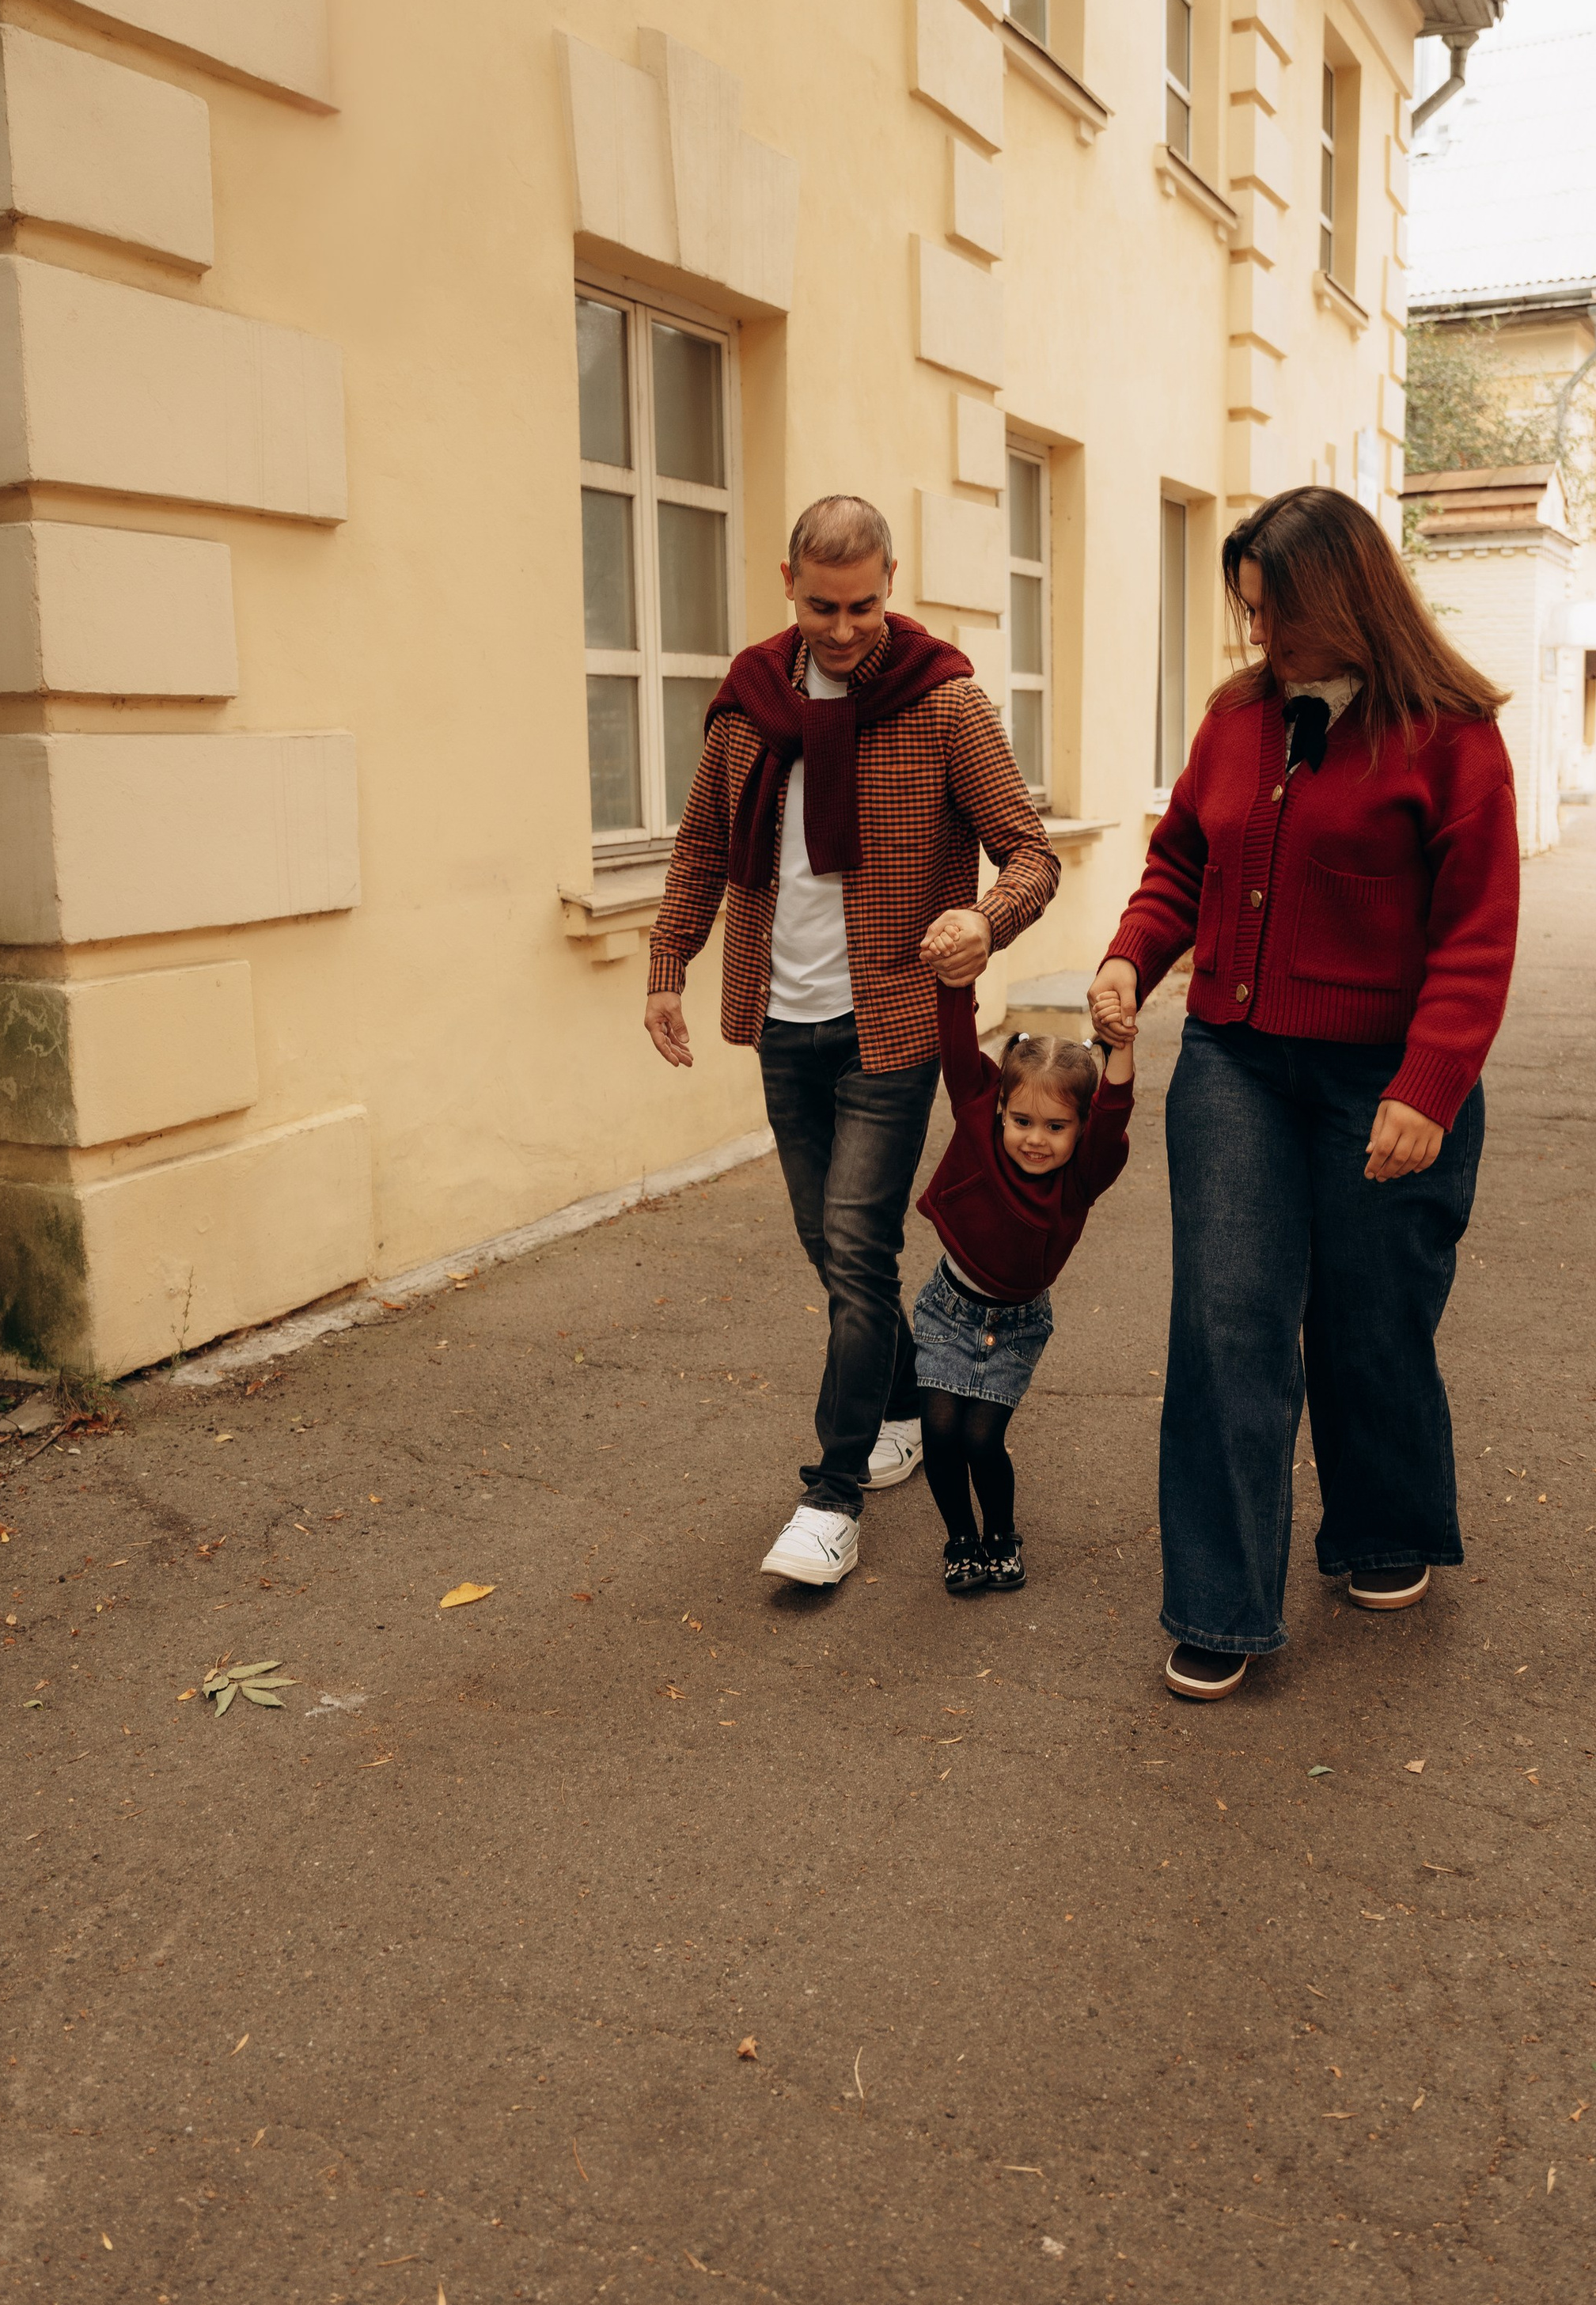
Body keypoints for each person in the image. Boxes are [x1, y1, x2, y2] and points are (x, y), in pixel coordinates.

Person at [1087, 483, 1519, 1703]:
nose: (1260, 639)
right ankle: (1221, 1600)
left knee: (1373, 1320)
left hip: (1385, 1076)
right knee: (1228, 1323)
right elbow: (1181, 857)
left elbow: (1477, 935)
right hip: (1235, 1061)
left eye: (1279, 614)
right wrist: (1131, 955)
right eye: (1250, 612)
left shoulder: (1450, 736)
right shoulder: (1239, 719)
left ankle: (1383, 1527)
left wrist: (1430, 1084)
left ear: (1350, 600)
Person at [645, 495, 1060, 1588]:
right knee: (830, 1252)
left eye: (865, 604)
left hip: (893, 1020)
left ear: (890, 581)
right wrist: (665, 967)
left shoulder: (944, 700)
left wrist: (986, 918)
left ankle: (831, 1498)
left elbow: (1029, 853)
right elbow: (698, 851)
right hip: (783, 1021)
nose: (844, 629)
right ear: (788, 580)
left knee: (858, 1253)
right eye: (824, 606)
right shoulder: (747, 703)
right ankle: (901, 1402)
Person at [908, 968, 1135, 1595]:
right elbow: (956, 1048)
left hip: (1015, 1324)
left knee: (981, 1439)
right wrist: (957, 981)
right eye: (1023, 1121)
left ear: (1080, 1131)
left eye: (1056, 1128)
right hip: (948, 1310)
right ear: (1000, 1109)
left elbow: (1114, 1113)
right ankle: (961, 1541)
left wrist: (1122, 1047)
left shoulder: (1084, 1175)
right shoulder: (979, 1118)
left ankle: (1001, 1535)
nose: (1036, 1139)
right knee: (940, 1434)